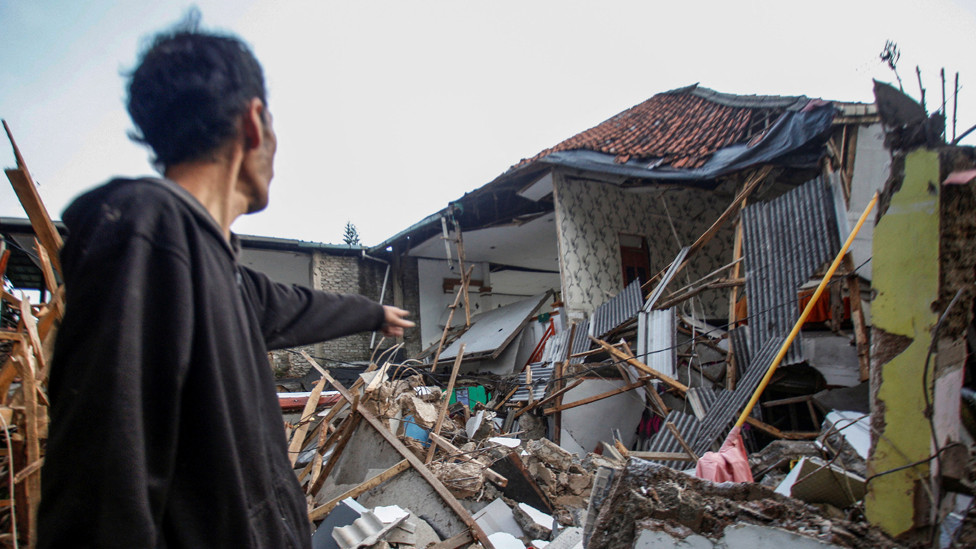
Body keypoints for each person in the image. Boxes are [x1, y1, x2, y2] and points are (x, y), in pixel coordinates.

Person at [36, 21, 413, 549]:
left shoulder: (222, 273)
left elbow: (301, 306)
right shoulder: (148, 233)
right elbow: (99, 490)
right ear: (253, 122)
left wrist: (375, 314)